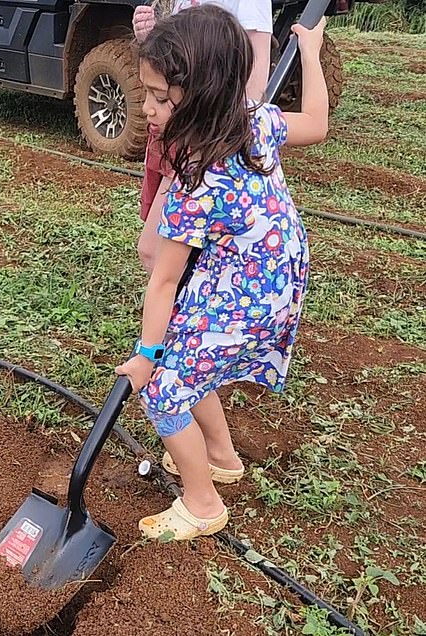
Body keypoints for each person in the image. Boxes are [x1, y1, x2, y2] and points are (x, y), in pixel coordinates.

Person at [116, 4, 328, 541]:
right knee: (183, 352)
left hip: (246, 293)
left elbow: (163, 280)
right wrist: (310, 53)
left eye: (162, 98)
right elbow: (317, 125)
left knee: (163, 390)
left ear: (204, 93)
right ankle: (221, 457)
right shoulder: (252, 120)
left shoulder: (195, 182)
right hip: (272, 277)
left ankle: (202, 503)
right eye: (147, 92)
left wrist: (145, 356)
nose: (149, 107)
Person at [133, 0, 273, 273]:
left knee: (157, 251)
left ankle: (179, 308)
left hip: (205, 139)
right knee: (157, 249)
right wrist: (152, 39)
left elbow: (255, 71)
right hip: (181, 130)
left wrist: (223, 139)